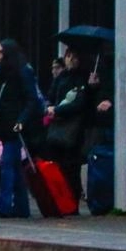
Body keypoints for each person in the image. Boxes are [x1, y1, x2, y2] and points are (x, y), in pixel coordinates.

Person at [0, 38, 42, 218]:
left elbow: (31, 99)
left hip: (15, 125)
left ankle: (4, 205)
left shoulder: (22, 72)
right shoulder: (3, 73)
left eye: (1, 52)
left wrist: (22, 120)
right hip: (6, 123)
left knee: (8, 165)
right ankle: (21, 206)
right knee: (14, 166)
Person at [42, 47, 89, 202]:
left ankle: (72, 199)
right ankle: (60, 197)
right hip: (58, 122)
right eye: (69, 56)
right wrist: (49, 106)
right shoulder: (61, 77)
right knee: (57, 163)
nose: (71, 60)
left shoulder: (82, 78)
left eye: (74, 57)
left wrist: (57, 109)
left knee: (71, 166)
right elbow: (50, 94)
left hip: (73, 125)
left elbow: (80, 102)